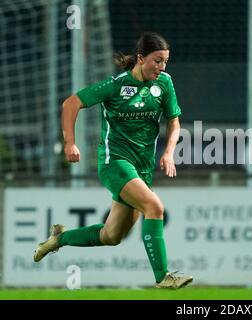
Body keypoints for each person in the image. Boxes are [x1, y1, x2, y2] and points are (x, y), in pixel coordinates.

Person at [33, 32, 193, 289]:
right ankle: (163, 277)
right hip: (115, 162)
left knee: (111, 236)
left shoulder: (164, 83)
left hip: (142, 168)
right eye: (157, 60)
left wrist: (168, 152)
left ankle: (59, 239)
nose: (162, 67)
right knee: (155, 207)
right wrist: (70, 142)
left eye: (165, 61)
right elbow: (71, 104)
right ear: (141, 58)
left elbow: (174, 122)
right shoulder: (115, 85)